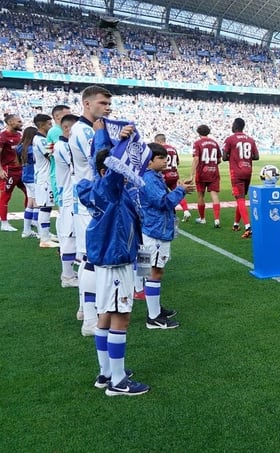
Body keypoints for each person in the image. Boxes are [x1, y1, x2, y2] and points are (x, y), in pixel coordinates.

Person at [77, 146, 149, 396]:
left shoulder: (99, 190)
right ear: (106, 172)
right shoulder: (110, 189)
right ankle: (118, 381)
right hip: (115, 261)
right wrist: (122, 143)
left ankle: (106, 372)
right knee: (121, 317)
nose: (126, 175)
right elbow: (114, 171)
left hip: (108, 260)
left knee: (106, 316)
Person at [71, 85, 114, 336]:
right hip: (90, 200)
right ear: (87, 104)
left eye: (109, 104)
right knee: (92, 258)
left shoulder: (89, 129)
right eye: (102, 103)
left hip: (90, 199)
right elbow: (100, 160)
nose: (107, 108)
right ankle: (89, 319)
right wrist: (103, 136)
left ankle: (84, 309)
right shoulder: (85, 130)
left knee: (88, 257)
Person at [139, 143, 194, 329]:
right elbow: (163, 202)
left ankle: (154, 310)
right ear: (149, 161)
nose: (165, 161)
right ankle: (153, 317)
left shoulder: (153, 176)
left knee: (152, 271)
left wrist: (179, 189)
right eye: (161, 158)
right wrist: (181, 191)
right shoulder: (149, 178)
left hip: (152, 228)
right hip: (155, 230)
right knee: (154, 271)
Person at [53, 114, 80, 288]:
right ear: (67, 128)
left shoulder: (64, 145)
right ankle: (68, 276)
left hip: (70, 195)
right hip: (70, 196)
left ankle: (70, 273)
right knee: (70, 236)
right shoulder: (63, 146)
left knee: (70, 235)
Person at [222, 118, 259, 238]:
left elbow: (224, 157)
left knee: (240, 198)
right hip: (248, 170)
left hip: (236, 171)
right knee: (241, 198)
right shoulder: (250, 139)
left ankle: (248, 227)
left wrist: (235, 157)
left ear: (235, 126)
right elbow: (256, 156)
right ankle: (236, 224)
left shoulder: (230, 139)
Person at [31, 113, 58, 248]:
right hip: (45, 178)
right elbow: (50, 156)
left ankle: (46, 234)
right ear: (42, 125)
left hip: (44, 177)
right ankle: (44, 239)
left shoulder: (41, 138)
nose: (51, 126)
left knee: (47, 206)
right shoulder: (41, 140)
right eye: (49, 124)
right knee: (45, 207)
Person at [154, 133, 192, 222]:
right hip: (174, 174)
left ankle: (168, 214)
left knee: (164, 196)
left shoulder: (160, 149)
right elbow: (177, 162)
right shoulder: (173, 148)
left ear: (158, 141)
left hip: (164, 175)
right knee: (178, 192)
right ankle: (186, 211)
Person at [190, 124, 222, 228]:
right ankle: (217, 219)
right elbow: (219, 159)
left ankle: (202, 218)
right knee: (214, 195)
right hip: (213, 172)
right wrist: (212, 165)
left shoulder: (197, 143)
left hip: (201, 172)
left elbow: (196, 158)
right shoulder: (214, 143)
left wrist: (192, 174)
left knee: (200, 195)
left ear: (198, 133)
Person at [0, 114, 24, 232]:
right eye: (18, 121)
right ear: (10, 122)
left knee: (30, 193)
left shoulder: (19, 135)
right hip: (8, 170)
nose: (21, 123)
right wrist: (0, 170)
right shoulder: (3, 136)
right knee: (6, 195)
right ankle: (4, 223)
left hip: (21, 170)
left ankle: (30, 220)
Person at [16, 126, 39, 239]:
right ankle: (41, 231)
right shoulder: (32, 149)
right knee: (37, 204)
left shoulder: (20, 147)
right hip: (33, 178)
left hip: (25, 177)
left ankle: (27, 230)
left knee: (30, 203)